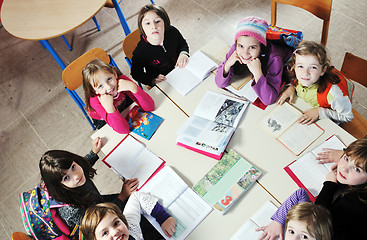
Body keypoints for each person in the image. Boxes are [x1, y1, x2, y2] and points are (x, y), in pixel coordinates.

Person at [39, 138, 163, 238]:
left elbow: (84, 164)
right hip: (98, 222)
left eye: (73, 167)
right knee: (142, 223)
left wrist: (93, 152)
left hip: (99, 203)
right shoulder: (72, 212)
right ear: (59, 186)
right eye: (66, 178)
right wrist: (123, 195)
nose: (76, 176)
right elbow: (104, 222)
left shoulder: (77, 172)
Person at [257, 137, 367, 240]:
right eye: (346, 158)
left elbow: (320, 211)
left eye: (357, 169)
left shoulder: (352, 207)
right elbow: (302, 195)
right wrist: (278, 221)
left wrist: (329, 184)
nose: (344, 168)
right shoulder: (352, 180)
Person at [215, 16, 293, 106]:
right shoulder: (235, 49)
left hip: (287, 64)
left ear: (261, 47)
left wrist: (258, 73)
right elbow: (219, 83)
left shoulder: (274, 59)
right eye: (241, 46)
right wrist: (227, 64)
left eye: (252, 47)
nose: (245, 53)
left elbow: (269, 100)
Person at [277, 41, 353, 124]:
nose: (305, 72)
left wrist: (319, 112)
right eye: (300, 66)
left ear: (323, 70)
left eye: (313, 67)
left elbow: (347, 116)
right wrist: (292, 87)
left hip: (326, 119)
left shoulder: (333, 94)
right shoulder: (299, 76)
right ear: (294, 67)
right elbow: (296, 81)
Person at [82, 59, 155, 133]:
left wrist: (133, 87)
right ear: (94, 91)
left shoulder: (121, 80)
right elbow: (124, 130)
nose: (108, 87)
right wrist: (110, 108)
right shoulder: (95, 101)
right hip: (103, 117)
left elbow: (150, 107)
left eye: (109, 79)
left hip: (122, 102)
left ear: (114, 74)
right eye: (100, 86)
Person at [130, 4, 189, 87]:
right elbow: (136, 74)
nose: (154, 26)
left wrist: (183, 53)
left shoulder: (172, 31)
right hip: (164, 83)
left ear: (165, 22)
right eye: (148, 23)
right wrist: (152, 80)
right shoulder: (140, 52)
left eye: (157, 21)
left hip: (182, 70)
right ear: (142, 28)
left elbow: (182, 43)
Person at [81, 193, 177, 240]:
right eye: (105, 233)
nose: (115, 232)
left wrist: (163, 217)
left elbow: (136, 197)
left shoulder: (129, 227)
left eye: (116, 223)